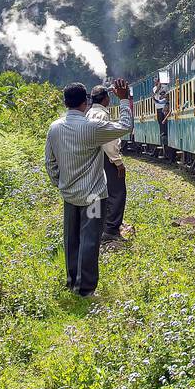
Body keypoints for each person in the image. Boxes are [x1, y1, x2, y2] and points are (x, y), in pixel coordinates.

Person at [44, 80, 133, 297]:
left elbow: (50, 162)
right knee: (90, 240)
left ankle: (72, 280)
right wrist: (123, 99)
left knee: (71, 239)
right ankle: (85, 289)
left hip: (69, 195)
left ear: (65, 102)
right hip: (93, 196)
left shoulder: (54, 128)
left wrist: (60, 183)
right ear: (85, 102)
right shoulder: (93, 128)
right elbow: (125, 126)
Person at [88, 85, 128, 243]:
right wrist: (118, 162)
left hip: (93, 158)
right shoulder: (102, 115)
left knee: (95, 193)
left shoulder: (90, 113)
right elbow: (109, 142)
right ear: (106, 99)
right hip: (106, 158)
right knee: (117, 192)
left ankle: (96, 226)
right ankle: (111, 229)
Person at [153, 80, 169, 147]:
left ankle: (165, 133)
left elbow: (168, 94)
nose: (155, 82)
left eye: (157, 80)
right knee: (161, 123)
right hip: (159, 107)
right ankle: (162, 134)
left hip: (165, 106)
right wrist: (159, 85)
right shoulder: (154, 88)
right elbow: (156, 91)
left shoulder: (166, 86)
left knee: (165, 122)